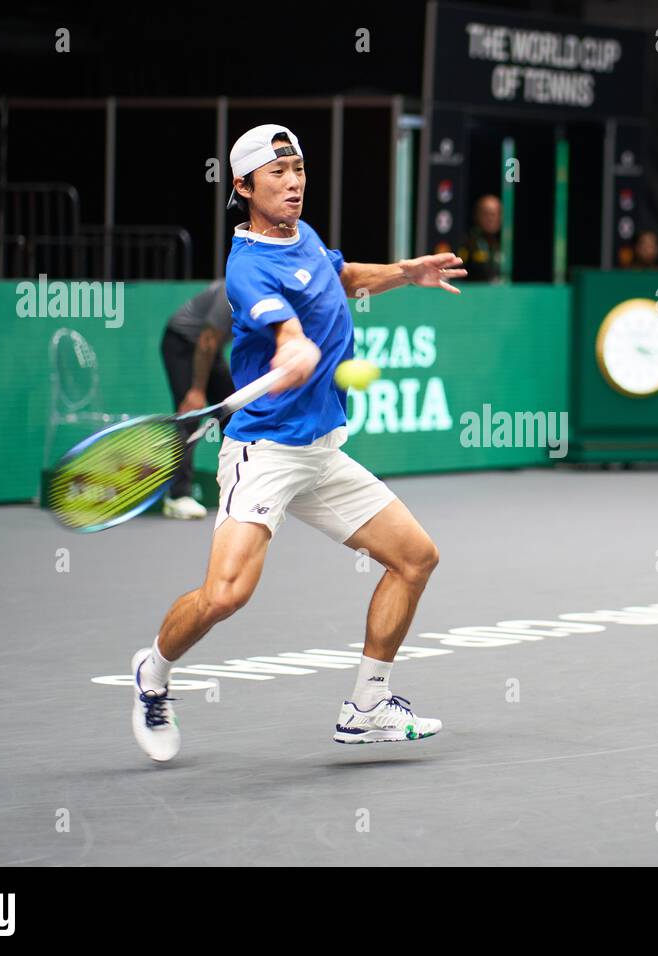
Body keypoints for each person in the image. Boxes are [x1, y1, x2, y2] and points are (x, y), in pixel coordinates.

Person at [129, 124, 467, 762]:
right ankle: (154, 670)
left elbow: (337, 276)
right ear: (244, 186)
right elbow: (283, 329)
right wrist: (292, 344)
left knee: (416, 557)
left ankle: (367, 706)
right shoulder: (247, 268)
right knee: (226, 595)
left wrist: (405, 272)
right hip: (266, 453)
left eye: (299, 170)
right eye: (278, 173)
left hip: (320, 451)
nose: (293, 183)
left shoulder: (301, 236)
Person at [160, 279, 233, 519]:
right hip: (183, 342)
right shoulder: (233, 290)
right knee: (189, 414)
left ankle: (237, 488)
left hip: (208, 348)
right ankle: (178, 496)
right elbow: (207, 341)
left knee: (234, 412)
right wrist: (197, 390)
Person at [456, 195, 503, 282]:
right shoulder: (466, 243)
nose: (491, 219)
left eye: (495, 214)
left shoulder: (505, 243)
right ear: (476, 216)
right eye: (486, 213)